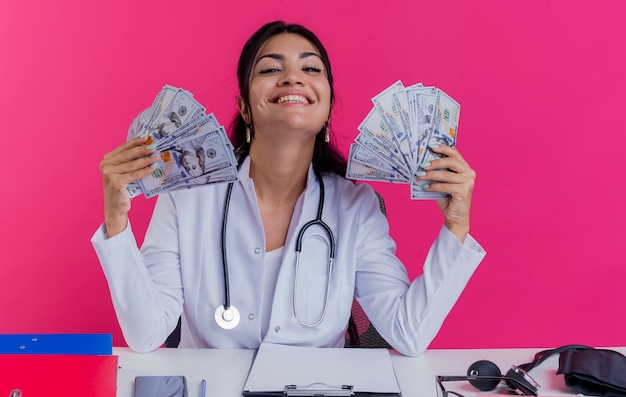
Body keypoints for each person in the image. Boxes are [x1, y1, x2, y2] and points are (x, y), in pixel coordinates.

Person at [92, 21, 486, 356]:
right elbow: (145, 336)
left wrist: (456, 226)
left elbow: (407, 332)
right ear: (245, 107)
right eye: (269, 70)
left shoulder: (357, 207)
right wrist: (116, 220)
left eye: (311, 69)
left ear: (328, 106)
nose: (292, 78)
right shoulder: (186, 197)